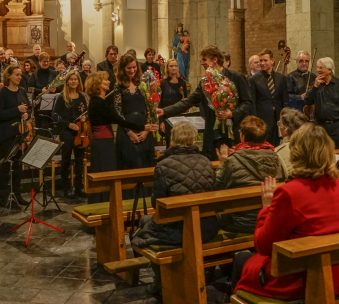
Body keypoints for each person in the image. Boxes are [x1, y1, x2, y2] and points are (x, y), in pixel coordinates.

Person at [233, 123, 339, 300]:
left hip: (300, 278)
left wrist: (266, 206)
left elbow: (264, 245)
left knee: (243, 262)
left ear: (296, 153)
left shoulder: (290, 192)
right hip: (338, 275)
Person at [131, 122, 218, 294]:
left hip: (178, 230)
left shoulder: (164, 165)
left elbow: (157, 203)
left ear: (173, 140)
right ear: (194, 139)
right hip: (206, 227)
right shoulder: (206, 161)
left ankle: (161, 283)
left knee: (143, 224)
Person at [158, 45, 252, 160]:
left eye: (204, 59)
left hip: (234, 134)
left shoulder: (236, 77)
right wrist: (164, 110)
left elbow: (247, 103)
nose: (202, 63)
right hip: (212, 136)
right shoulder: (205, 82)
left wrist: (231, 114)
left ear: (215, 60)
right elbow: (188, 101)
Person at [84, 71, 144, 203]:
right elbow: (118, 119)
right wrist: (141, 126)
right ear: (97, 84)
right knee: (105, 173)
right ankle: (104, 203)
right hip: (103, 143)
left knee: (105, 171)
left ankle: (104, 201)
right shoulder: (99, 102)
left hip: (103, 141)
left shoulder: (99, 101)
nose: (109, 82)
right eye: (105, 80)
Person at [215, 116, 282, 233]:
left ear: (243, 136)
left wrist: (222, 164)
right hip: (269, 216)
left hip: (238, 221)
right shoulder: (276, 157)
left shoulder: (232, 160)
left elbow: (216, 188)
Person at [0, 64, 31, 206]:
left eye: (20, 75)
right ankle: (4, 196)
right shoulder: (2, 93)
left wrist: (26, 114)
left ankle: (17, 194)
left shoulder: (22, 91)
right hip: (6, 133)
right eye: (17, 75)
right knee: (6, 165)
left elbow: (28, 108)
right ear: (9, 76)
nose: (20, 77)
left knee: (18, 165)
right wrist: (16, 110)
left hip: (20, 132)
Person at [114, 54, 157, 169]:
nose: (132, 70)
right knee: (130, 164)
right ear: (123, 69)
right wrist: (129, 132)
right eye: (129, 68)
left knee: (145, 164)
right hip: (126, 130)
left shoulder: (142, 84)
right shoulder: (118, 86)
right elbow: (118, 112)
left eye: (134, 67)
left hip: (144, 128)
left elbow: (149, 108)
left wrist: (146, 131)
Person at [303, 57, 339, 149]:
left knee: (337, 154)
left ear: (329, 70)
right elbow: (307, 101)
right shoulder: (316, 84)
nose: (318, 70)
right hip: (321, 127)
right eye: (317, 67)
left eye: (321, 68)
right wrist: (315, 87)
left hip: (338, 127)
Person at [52, 70, 88, 198]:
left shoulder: (82, 96)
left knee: (79, 160)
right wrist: (68, 124)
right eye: (71, 79)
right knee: (66, 159)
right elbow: (55, 116)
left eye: (76, 79)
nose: (73, 81)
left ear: (79, 81)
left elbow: (86, 112)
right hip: (66, 131)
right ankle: (66, 188)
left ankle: (79, 187)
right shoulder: (62, 97)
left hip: (80, 132)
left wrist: (84, 119)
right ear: (67, 82)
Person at [249, 49, 288, 146]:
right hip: (262, 121)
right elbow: (252, 102)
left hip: (278, 121)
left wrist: (285, 119)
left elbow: (285, 101)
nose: (262, 63)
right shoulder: (254, 79)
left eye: (265, 60)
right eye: (260, 60)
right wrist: (255, 122)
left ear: (272, 61)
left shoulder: (281, 78)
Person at [158, 59, 188, 146]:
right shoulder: (163, 83)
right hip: (167, 117)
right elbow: (160, 103)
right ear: (167, 68)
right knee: (170, 144)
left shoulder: (182, 83)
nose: (174, 68)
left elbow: (186, 101)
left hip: (180, 117)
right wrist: (161, 121)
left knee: (181, 143)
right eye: (171, 66)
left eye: (176, 66)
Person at [273, 107, 308, 179]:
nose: (278, 126)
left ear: (286, 129)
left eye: (279, 123)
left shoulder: (278, 153)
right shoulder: (313, 144)